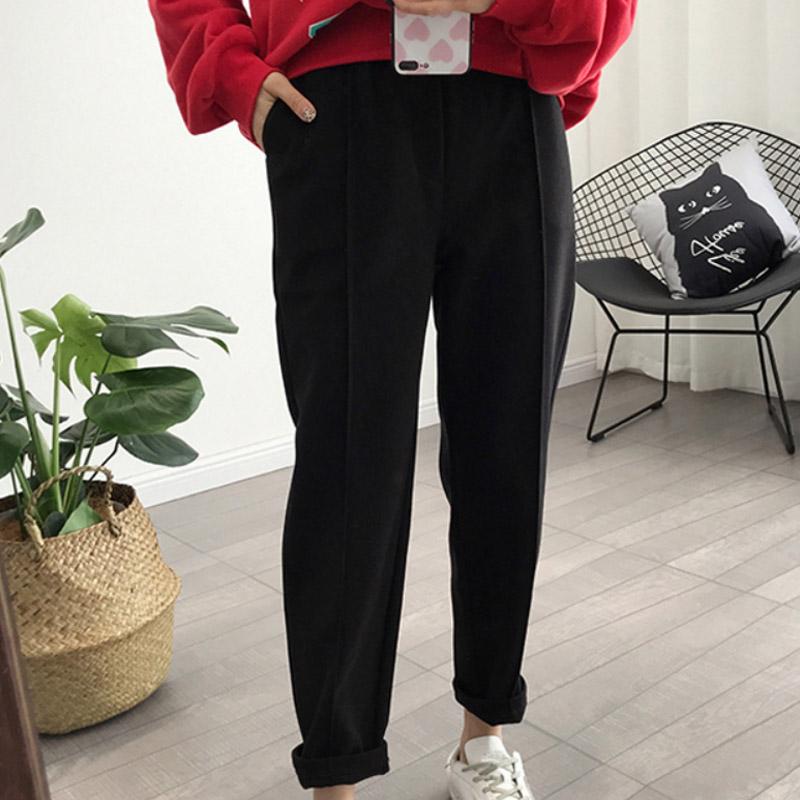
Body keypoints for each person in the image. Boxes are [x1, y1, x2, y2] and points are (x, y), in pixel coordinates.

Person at [147, 1, 637, 798]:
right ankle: (336, 777)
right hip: (339, 104)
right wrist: (231, 71)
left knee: (505, 453)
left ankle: (484, 738)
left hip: (511, 100)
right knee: (348, 462)